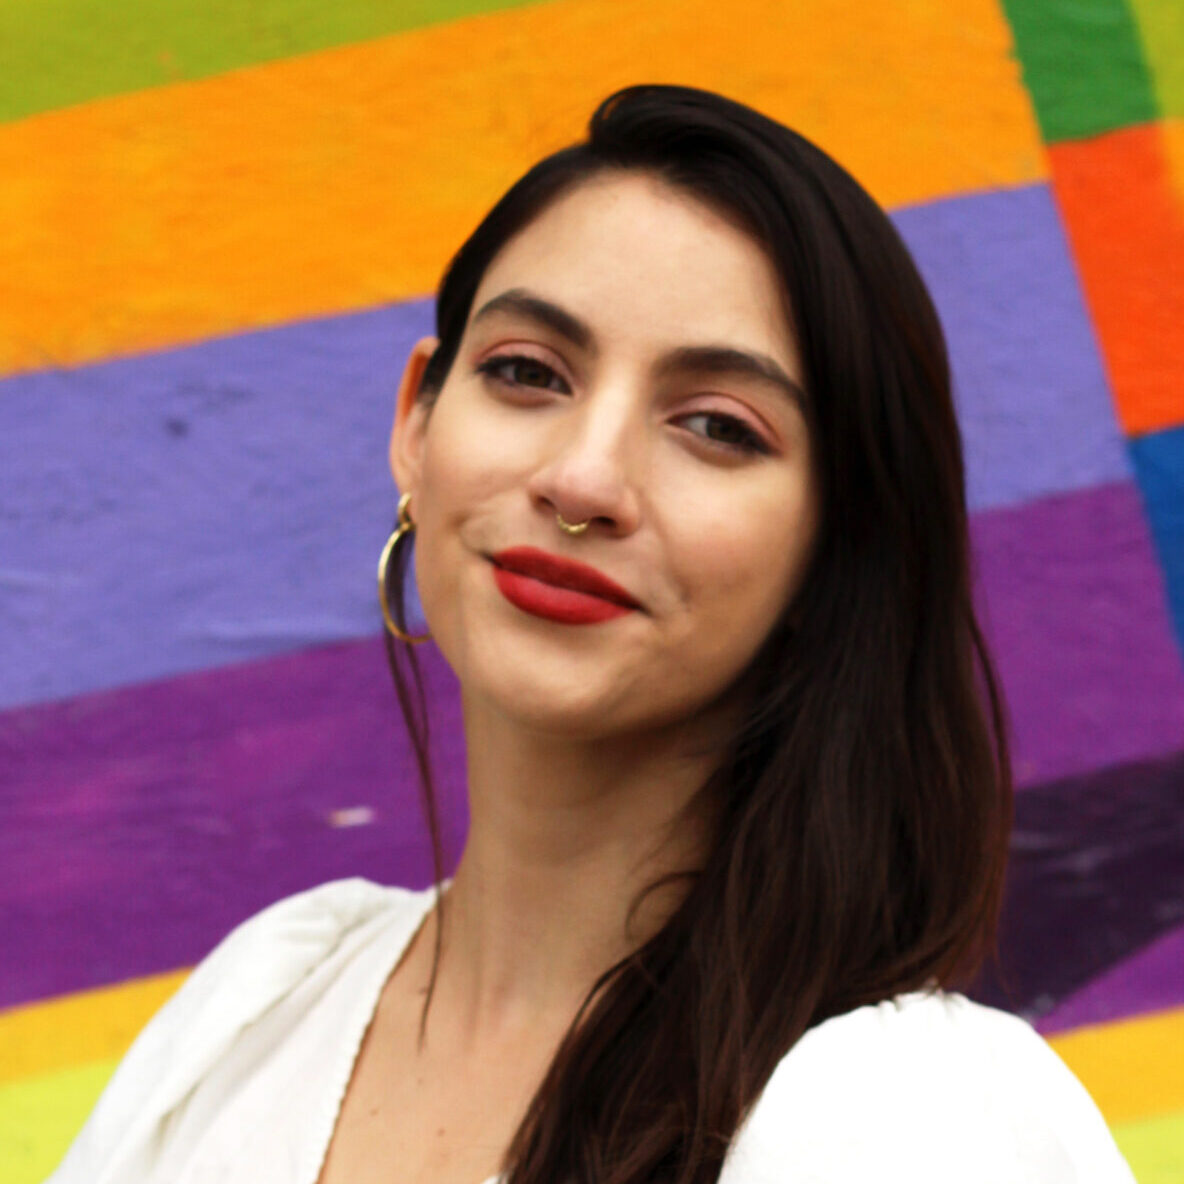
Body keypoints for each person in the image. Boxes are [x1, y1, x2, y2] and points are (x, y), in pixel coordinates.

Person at [48, 84, 1134, 1184]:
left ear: (840, 544)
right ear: (417, 421)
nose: (581, 478)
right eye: (527, 372)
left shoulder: (906, 1118)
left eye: (716, 426)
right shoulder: (265, 1004)